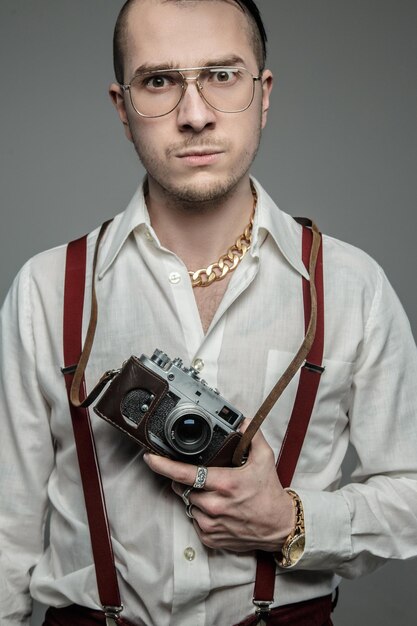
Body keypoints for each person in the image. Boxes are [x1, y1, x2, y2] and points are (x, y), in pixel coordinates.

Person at [0, 0, 416, 625]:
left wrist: (293, 521)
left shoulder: (352, 285)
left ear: (262, 92)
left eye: (222, 75)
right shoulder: (47, 287)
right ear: (123, 107)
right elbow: (6, 530)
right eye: (159, 81)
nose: (194, 116)